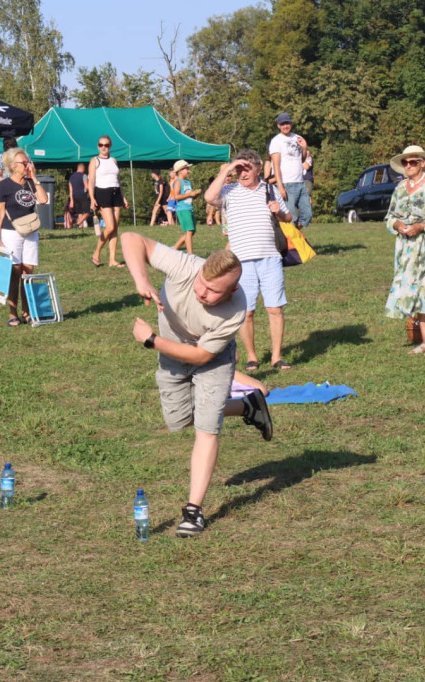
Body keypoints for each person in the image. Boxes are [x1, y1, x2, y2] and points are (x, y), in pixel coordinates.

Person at [120, 231, 273, 537]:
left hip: (211, 361)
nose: (201, 292)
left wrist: (151, 341)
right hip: (172, 357)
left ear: (232, 291)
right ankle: (248, 405)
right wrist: (140, 280)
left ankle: (194, 512)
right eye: (201, 283)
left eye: (213, 291)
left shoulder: (235, 308)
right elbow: (130, 238)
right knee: (180, 420)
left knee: (207, 428)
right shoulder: (187, 267)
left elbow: (201, 355)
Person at [205, 150, 295, 371]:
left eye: (246, 168)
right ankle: (252, 357)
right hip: (242, 261)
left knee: (275, 308)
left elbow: (288, 217)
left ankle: (276, 357)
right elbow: (208, 198)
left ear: (257, 169)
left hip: (270, 257)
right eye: (239, 169)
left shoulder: (268, 189)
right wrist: (228, 168)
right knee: (247, 311)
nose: (242, 173)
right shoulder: (229, 191)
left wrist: (279, 212)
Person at [384, 145, 425, 356]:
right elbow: (390, 216)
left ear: (422, 163)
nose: (409, 166)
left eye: (413, 162)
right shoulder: (400, 188)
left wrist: (421, 226)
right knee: (414, 290)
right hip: (406, 246)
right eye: (405, 162)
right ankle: (424, 342)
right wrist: (399, 226)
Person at [0, 148, 49, 326]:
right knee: (14, 272)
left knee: (28, 272)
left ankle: (27, 312)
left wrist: (34, 178)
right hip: (11, 232)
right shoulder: (4, 186)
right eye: (23, 163)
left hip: (31, 231)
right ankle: (12, 312)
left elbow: (43, 199)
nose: (26, 165)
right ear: (11, 166)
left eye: (27, 162)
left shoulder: (30, 183)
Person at [89, 135, 129, 267]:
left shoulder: (114, 160)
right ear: (98, 146)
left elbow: (118, 181)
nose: (103, 147)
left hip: (116, 192)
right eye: (101, 145)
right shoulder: (94, 161)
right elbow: (91, 181)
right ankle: (96, 253)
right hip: (102, 192)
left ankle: (112, 259)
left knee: (115, 228)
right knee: (110, 226)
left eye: (106, 145)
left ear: (110, 146)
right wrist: (92, 198)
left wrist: (123, 197)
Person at [268, 112, 313, 229]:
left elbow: (302, 159)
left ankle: (295, 236)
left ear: (291, 124)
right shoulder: (276, 141)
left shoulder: (297, 138)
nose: (285, 126)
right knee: (291, 218)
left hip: (300, 183)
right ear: (278, 126)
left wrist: (304, 147)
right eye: (282, 124)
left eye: (287, 123)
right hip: (287, 184)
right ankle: (290, 244)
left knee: (307, 215)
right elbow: (276, 166)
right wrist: (280, 186)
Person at [170, 160, 202, 255]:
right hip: (183, 209)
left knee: (192, 231)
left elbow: (189, 196)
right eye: (186, 169)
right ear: (180, 171)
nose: (188, 171)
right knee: (189, 231)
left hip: (189, 208)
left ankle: (174, 248)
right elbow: (176, 196)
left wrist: (195, 194)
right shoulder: (178, 182)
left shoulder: (187, 182)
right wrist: (189, 194)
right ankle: (190, 254)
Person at [68, 162, 90, 229]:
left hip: (75, 196)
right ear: (82, 168)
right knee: (87, 212)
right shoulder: (84, 176)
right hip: (82, 195)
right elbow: (87, 187)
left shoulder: (71, 177)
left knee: (80, 212)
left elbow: (70, 190)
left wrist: (71, 201)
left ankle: (81, 227)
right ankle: (78, 223)